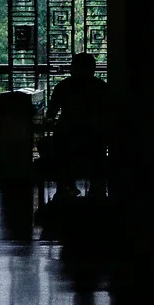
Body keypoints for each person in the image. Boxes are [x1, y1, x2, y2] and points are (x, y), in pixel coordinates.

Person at [44, 52, 111, 202]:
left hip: (67, 139)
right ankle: (96, 189)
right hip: (94, 141)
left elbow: (51, 113)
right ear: (93, 69)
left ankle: (66, 186)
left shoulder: (63, 86)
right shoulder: (101, 87)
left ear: (72, 68)